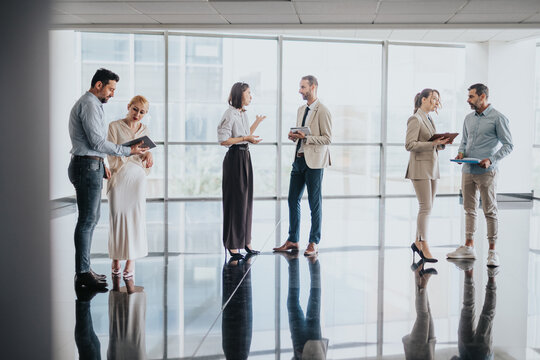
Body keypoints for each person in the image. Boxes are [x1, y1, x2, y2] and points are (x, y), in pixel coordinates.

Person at [68, 68, 148, 290]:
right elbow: (96, 142)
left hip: (90, 164)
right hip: (86, 165)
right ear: (99, 85)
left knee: (90, 220)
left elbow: (94, 144)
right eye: (111, 88)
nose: (112, 93)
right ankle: (82, 273)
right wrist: (128, 151)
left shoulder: (91, 104)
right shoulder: (90, 104)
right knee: (87, 221)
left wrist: (103, 163)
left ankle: (85, 269)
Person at [447, 84, 513, 267]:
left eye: (471, 96)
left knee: (490, 211)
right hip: (468, 170)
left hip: (487, 172)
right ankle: (469, 246)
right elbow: (464, 142)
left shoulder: (498, 118)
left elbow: (509, 145)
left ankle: (492, 251)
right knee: (469, 209)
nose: (468, 100)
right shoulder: (468, 118)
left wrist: (491, 160)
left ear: (482, 97)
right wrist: (460, 154)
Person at [274, 75, 332, 257]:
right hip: (298, 159)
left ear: (313, 87)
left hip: (314, 163)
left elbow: (327, 138)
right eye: (300, 87)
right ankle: (293, 239)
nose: (300, 90)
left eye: (303, 87)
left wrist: (305, 137)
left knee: (314, 203)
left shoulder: (323, 111)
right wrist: (294, 136)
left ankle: (314, 242)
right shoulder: (301, 110)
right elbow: (301, 134)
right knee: (293, 199)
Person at [217, 82, 266, 260]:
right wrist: (246, 138)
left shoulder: (242, 113)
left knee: (246, 201)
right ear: (240, 94)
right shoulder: (229, 114)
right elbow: (224, 140)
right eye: (248, 93)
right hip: (235, 159)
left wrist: (256, 123)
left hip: (245, 157)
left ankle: (245, 240)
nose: (251, 96)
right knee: (236, 202)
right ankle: (233, 243)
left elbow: (245, 135)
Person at [107, 95, 153, 279]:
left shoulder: (145, 129)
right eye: (135, 109)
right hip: (119, 174)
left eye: (142, 112)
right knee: (117, 215)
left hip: (137, 176)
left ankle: (131, 259)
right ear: (129, 107)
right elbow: (110, 153)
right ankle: (116, 257)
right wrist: (129, 152)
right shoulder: (114, 126)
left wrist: (148, 156)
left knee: (136, 216)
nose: (137, 114)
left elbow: (145, 152)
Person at [405, 89, 451, 263]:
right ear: (423, 100)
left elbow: (430, 144)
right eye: (433, 99)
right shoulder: (415, 119)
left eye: (437, 100)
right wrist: (432, 143)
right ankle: (423, 244)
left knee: (428, 207)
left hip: (431, 167)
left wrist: (440, 144)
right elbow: (410, 145)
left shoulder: (429, 118)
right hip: (420, 168)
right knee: (425, 207)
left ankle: (418, 242)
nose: (436, 103)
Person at [448, 260, 498, 360]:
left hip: (465, 351)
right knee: (486, 314)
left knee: (468, 308)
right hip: (482, 354)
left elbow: (454, 358)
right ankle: (492, 273)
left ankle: (469, 269)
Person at [402, 260, 438, 360]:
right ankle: (418, 275)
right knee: (428, 312)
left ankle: (421, 280)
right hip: (428, 350)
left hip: (416, 351)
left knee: (423, 316)